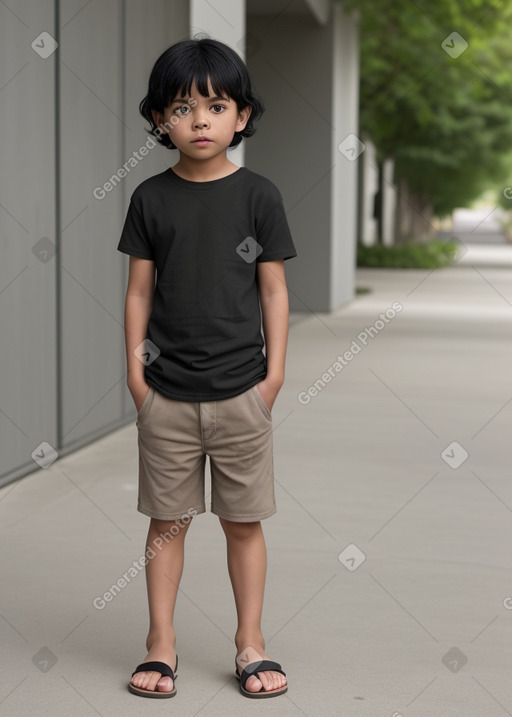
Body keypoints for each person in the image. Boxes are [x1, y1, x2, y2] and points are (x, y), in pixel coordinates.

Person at [117, 36, 297, 700]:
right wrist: (138, 378)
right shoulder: (150, 199)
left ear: (241, 116)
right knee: (166, 522)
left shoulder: (259, 196)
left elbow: (274, 291)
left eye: (216, 105)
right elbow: (139, 291)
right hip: (164, 393)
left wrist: (272, 377)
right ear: (161, 120)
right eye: (182, 107)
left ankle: (250, 640)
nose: (199, 120)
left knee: (243, 522)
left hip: (242, 391)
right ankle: (159, 642)